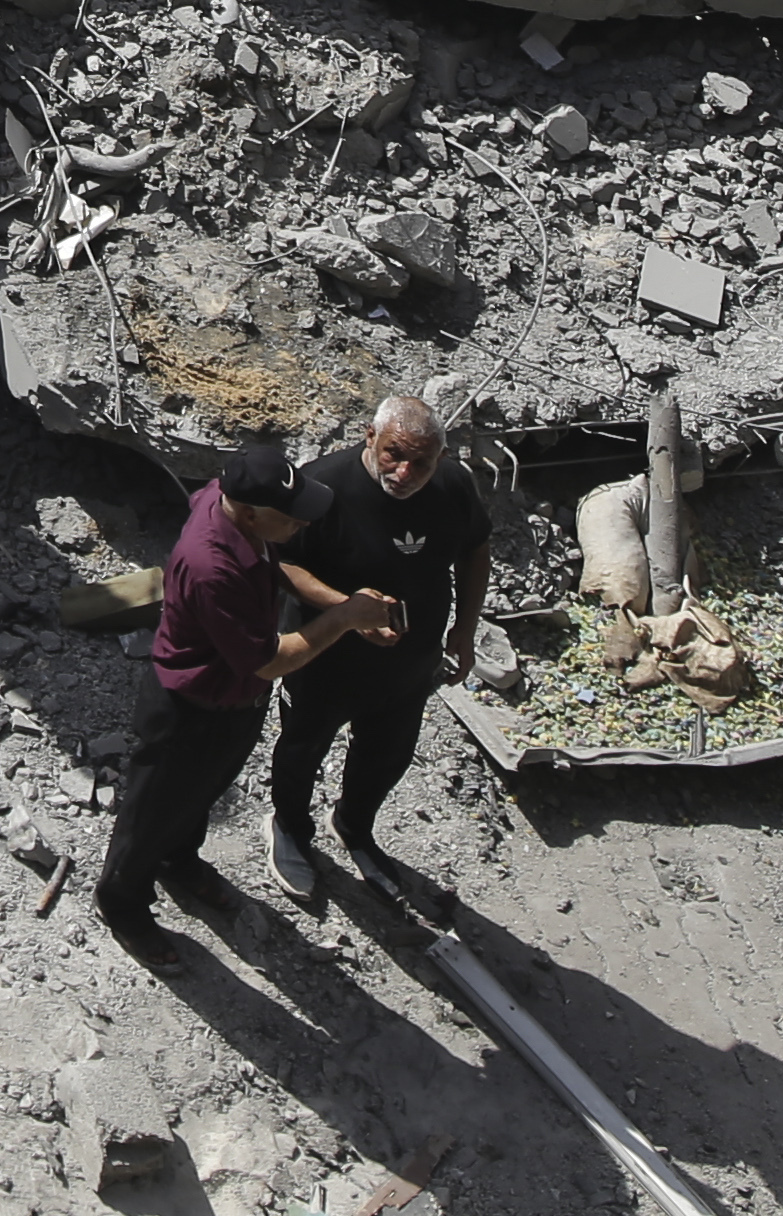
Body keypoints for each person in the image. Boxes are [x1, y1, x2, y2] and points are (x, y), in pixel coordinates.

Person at [94, 441, 398, 970]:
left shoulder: (232, 505)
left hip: (233, 707)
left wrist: (341, 604)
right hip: (189, 711)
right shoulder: (213, 567)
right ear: (253, 512)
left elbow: (276, 563)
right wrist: (345, 619)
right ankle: (123, 905)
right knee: (150, 816)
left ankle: (180, 861)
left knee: (202, 795)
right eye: (292, 516)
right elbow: (270, 661)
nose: (302, 526)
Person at [268, 395, 493, 909]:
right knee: (303, 747)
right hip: (325, 658)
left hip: (410, 662)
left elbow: (476, 548)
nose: (406, 471)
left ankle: (354, 825)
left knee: (388, 754)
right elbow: (280, 563)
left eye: (423, 461)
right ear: (370, 435)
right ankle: (288, 828)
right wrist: (346, 610)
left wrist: (465, 626)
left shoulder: (453, 486)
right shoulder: (321, 487)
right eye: (395, 453)